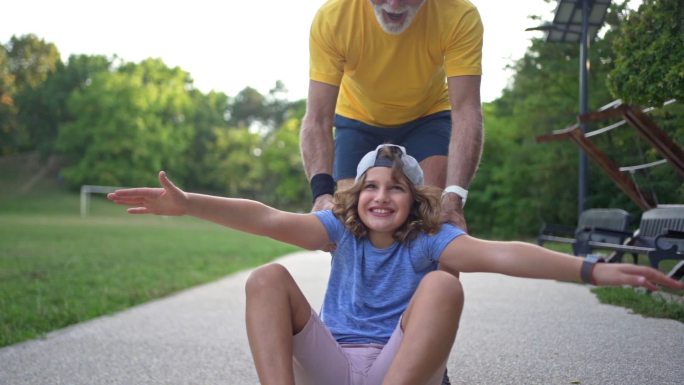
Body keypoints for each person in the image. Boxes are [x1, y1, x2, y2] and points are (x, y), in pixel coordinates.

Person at [107, 144, 682, 385]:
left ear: (415, 201)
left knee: (443, 286)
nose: (381, 196)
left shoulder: (431, 242)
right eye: (370, 186)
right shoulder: (335, 231)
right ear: (354, 196)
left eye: (397, 188)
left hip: (396, 369)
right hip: (331, 363)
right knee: (267, 278)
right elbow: (264, 218)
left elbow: (503, 255)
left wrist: (592, 269)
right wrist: (188, 204)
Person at [301, 0, 485, 231]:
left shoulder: (459, 14)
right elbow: (318, 118)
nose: (395, 3)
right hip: (357, 118)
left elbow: (466, 110)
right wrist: (321, 193)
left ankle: (437, 267)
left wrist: (455, 197)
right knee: (350, 221)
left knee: (436, 216)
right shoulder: (334, 17)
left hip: (427, 116)